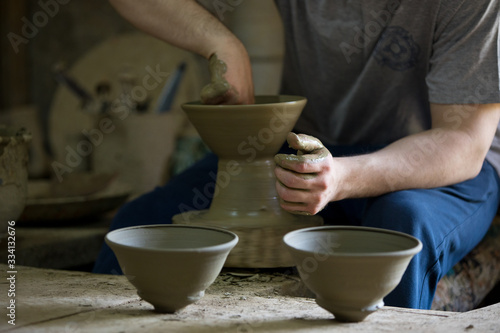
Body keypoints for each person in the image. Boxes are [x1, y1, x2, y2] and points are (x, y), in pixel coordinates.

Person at [94, 0, 500, 310]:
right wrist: (218, 41)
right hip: (311, 151)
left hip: (438, 165)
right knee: (139, 225)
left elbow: (462, 141)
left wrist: (343, 178)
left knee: (396, 230)